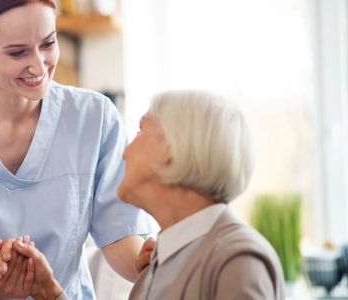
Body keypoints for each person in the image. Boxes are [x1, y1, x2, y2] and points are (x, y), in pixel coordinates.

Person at [0, 0, 152, 298]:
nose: (39, 66)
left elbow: (119, 234)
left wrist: (147, 262)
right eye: (17, 52)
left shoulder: (95, 118)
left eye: (48, 43)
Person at [115, 90, 285, 299]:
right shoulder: (155, 265)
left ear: (169, 146)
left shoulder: (237, 261)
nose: (125, 152)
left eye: (141, 131)